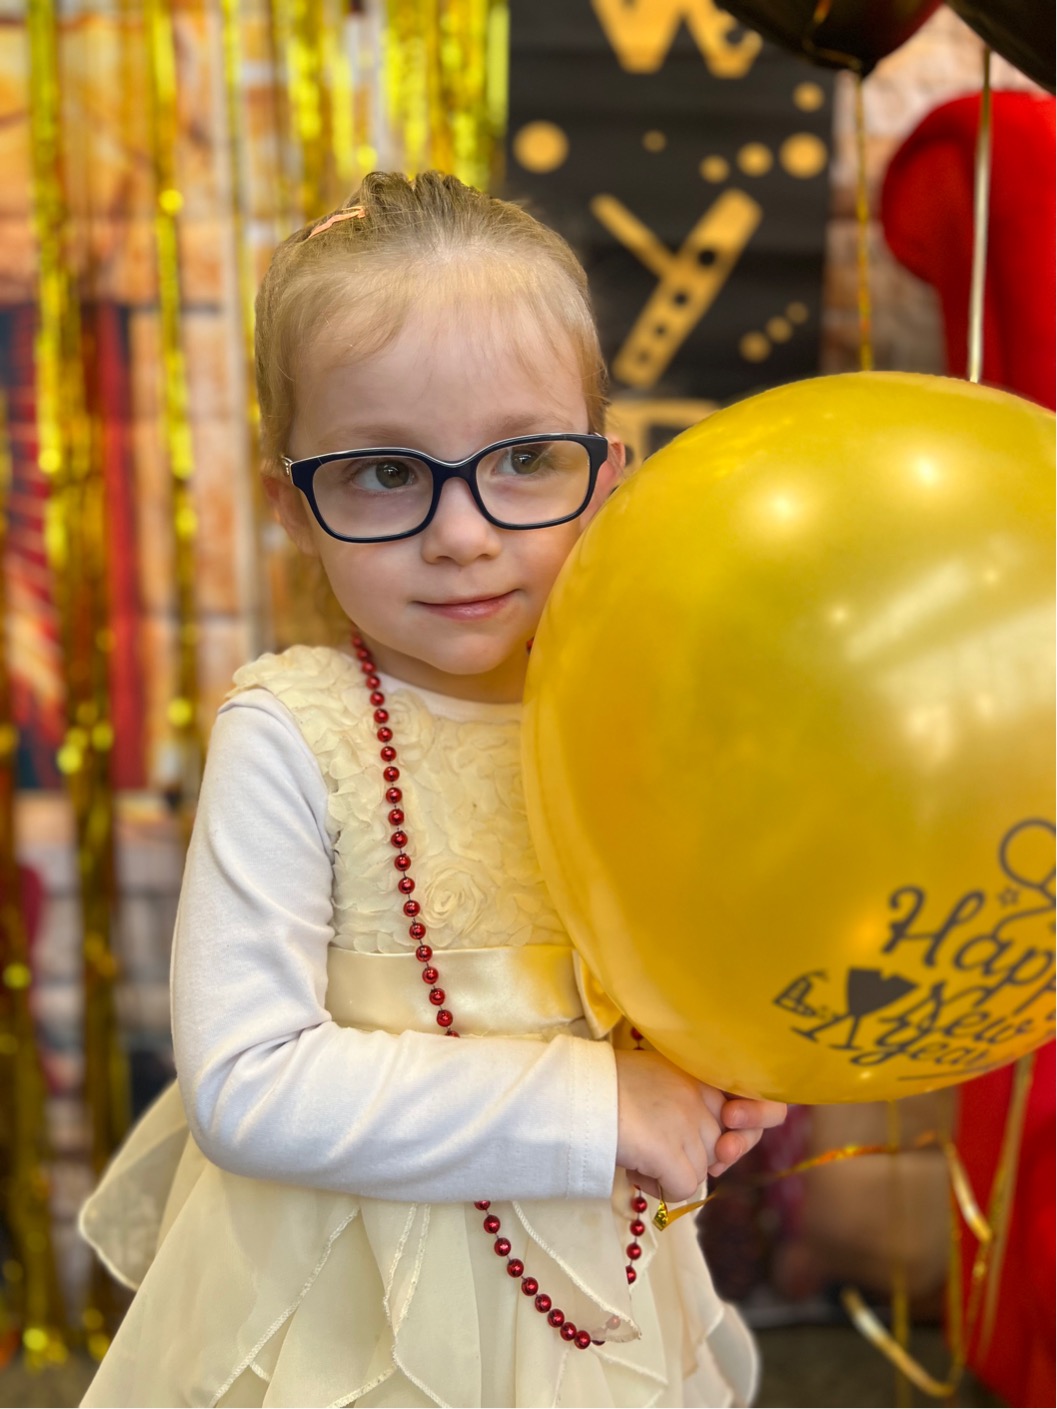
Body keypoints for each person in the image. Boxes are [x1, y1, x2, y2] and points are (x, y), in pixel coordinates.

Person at [79, 171, 786, 1408]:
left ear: (604, 474)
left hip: (590, 1276)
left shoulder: (632, 714)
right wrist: (604, 1104)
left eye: (523, 458)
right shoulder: (293, 734)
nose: (462, 532)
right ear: (292, 507)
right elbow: (245, 1083)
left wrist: (717, 1065)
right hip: (349, 1313)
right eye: (385, 473)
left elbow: (678, 959)